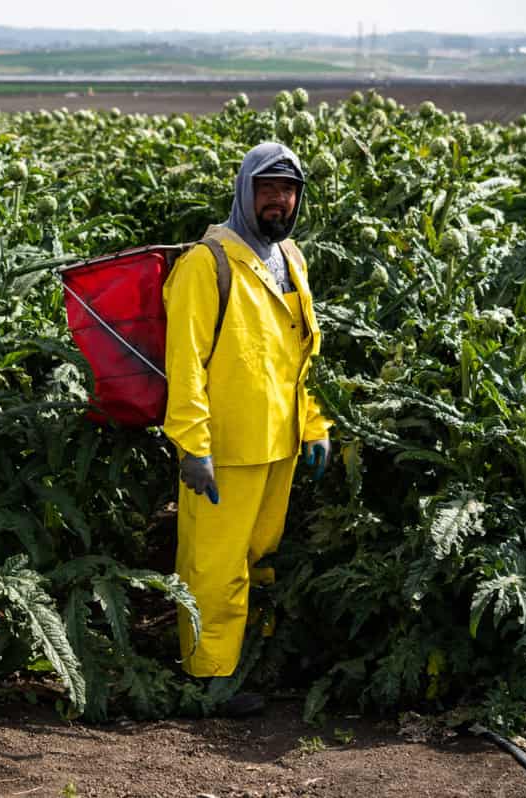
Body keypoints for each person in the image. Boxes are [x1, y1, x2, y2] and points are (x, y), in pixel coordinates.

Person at [162, 142, 333, 712]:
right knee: (213, 565)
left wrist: (313, 425)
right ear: (244, 192)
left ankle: (245, 664)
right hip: (225, 448)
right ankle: (208, 679)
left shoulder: (293, 259)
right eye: (267, 189)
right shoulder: (205, 264)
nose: (278, 201)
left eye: (287, 190)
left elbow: (298, 354)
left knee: (258, 556)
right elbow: (184, 364)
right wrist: (192, 445)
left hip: (278, 442)